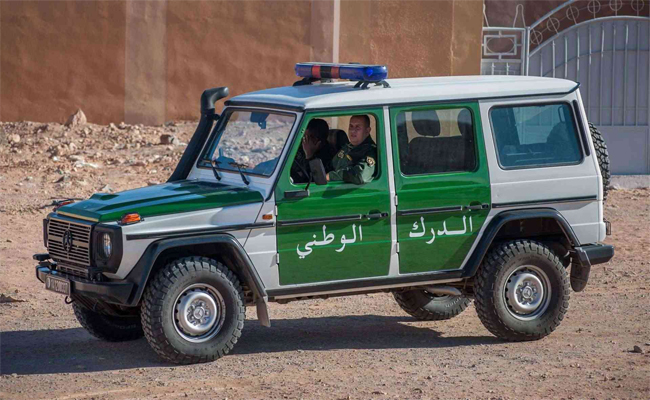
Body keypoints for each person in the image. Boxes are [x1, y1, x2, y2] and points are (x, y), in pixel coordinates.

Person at [327, 115, 377, 184]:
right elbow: (332, 165)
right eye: (351, 126)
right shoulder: (347, 147)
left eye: (357, 127)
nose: (353, 131)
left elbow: (361, 176)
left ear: (367, 131)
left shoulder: (370, 151)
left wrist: (332, 176)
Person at [290, 118, 336, 183]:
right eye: (304, 137)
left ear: (319, 140)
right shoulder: (301, 148)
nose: (305, 141)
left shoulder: (329, 156)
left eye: (309, 138)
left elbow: (313, 181)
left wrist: (309, 155)